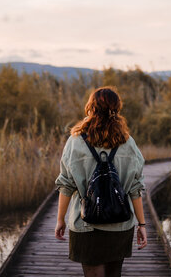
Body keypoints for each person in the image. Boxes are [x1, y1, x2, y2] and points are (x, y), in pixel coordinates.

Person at [54, 86, 148, 277]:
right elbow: (135, 189)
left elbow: (66, 184)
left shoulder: (75, 141)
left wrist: (60, 220)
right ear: (117, 110)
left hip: (85, 224)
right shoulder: (128, 143)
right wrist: (142, 225)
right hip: (120, 225)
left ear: (91, 108)